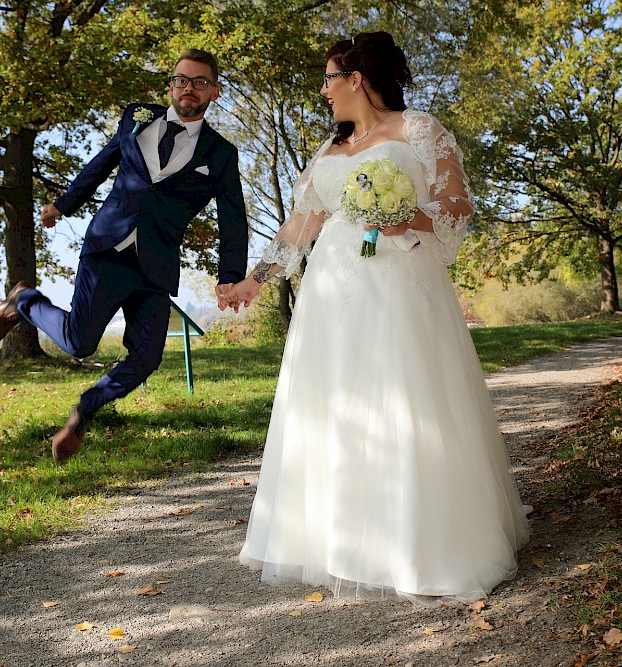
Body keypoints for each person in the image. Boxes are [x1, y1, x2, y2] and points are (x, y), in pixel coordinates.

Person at [220, 32, 531, 604]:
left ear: (355, 79)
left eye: (329, 78)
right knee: (335, 400)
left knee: (402, 393)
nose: (324, 90)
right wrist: (252, 283)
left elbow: (457, 204)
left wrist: (407, 214)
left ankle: (419, 546)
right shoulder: (328, 152)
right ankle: (341, 541)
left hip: (398, 280)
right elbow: (299, 228)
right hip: (331, 291)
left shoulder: (418, 129)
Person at [0, 48, 248, 463]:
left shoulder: (220, 154)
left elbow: (233, 219)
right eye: (182, 79)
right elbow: (100, 163)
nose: (189, 89)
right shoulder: (136, 117)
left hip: (155, 264)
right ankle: (24, 300)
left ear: (214, 92)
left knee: (146, 359)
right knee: (78, 343)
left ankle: (85, 410)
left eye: (200, 82)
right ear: (171, 85)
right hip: (107, 248)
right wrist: (64, 204)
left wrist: (230, 275)